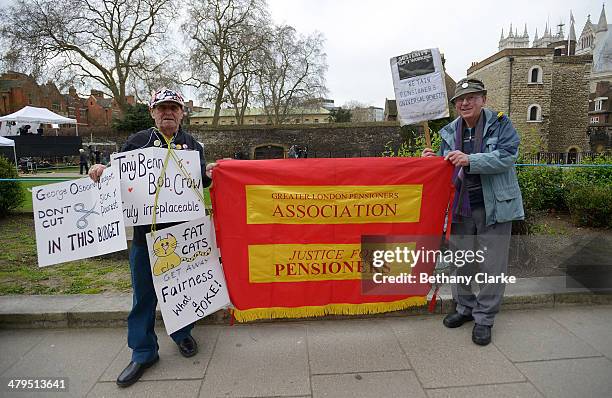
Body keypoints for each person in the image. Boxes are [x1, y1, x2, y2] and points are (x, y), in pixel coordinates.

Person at [89, 88, 217, 387]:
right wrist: (101, 171)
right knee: (143, 294)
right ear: (152, 112)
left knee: (182, 288)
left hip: (181, 234)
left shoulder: (194, 146)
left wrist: (209, 173)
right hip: (146, 235)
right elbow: (118, 175)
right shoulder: (137, 141)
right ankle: (144, 351)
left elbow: (199, 183)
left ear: (183, 113)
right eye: (162, 108)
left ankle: (183, 334)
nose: (168, 113)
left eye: (174, 108)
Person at [422, 78, 524, 346]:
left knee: (493, 265)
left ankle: (484, 319)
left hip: (495, 207)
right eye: (460, 100)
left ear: (484, 99)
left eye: (471, 97)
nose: (465, 103)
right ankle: (464, 308)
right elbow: (447, 167)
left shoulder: (502, 124)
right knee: (462, 262)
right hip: (460, 208)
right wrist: (432, 164)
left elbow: (508, 156)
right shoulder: (448, 132)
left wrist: (471, 160)